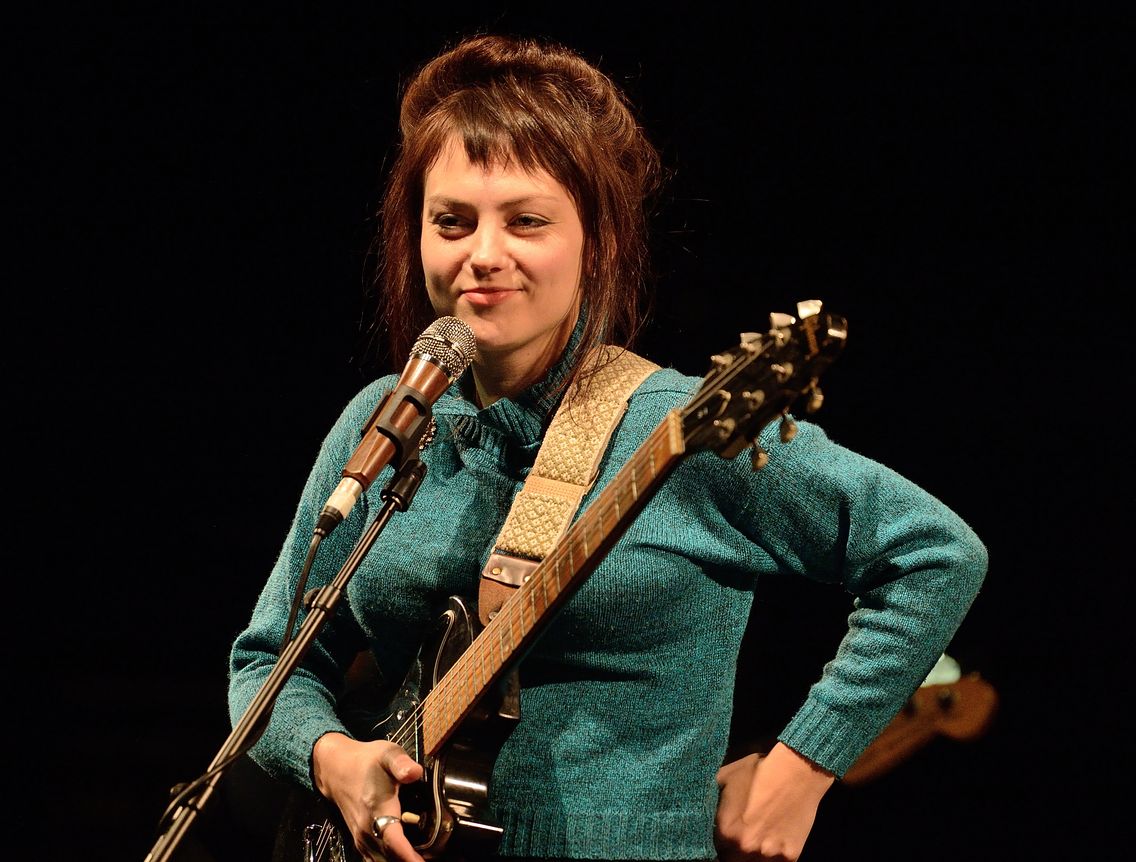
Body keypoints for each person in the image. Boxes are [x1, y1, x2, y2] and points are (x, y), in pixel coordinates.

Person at [226, 32, 988, 862]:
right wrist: (328, 757)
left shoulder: (681, 429)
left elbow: (935, 554)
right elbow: (270, 661)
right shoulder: (386, 418)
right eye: (452, 222)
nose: (483, 254)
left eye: (527, 221)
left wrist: (802, 765)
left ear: (601, 242)